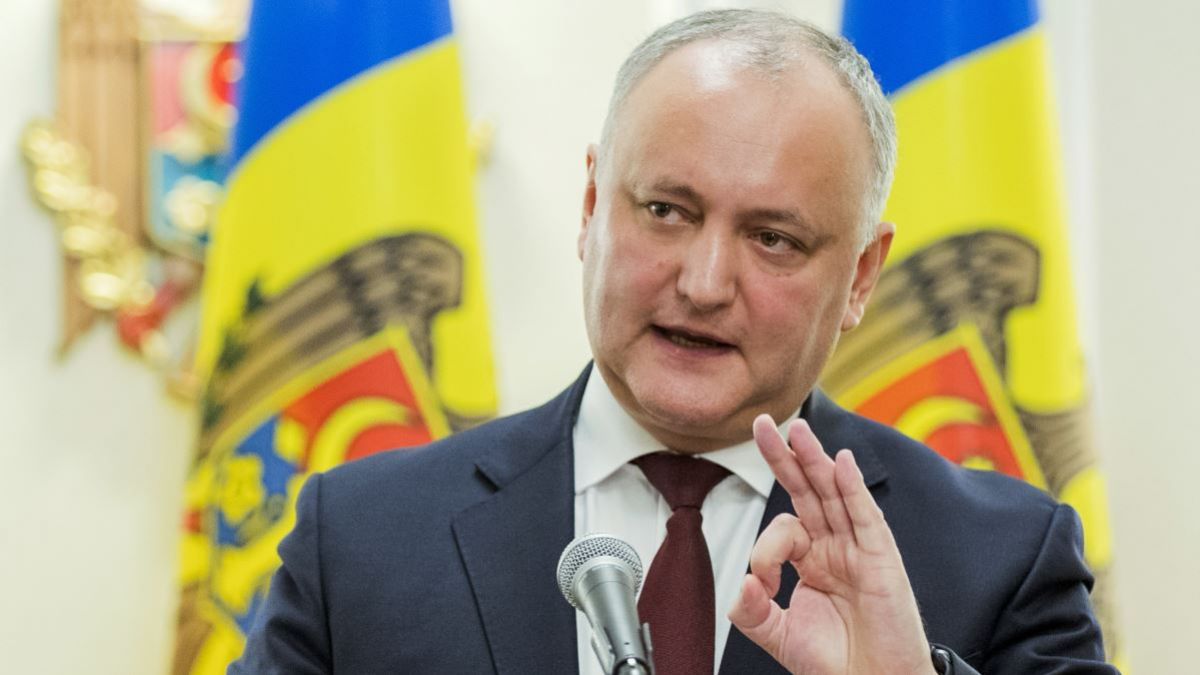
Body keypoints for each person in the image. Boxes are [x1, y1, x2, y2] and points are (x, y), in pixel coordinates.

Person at [232, 9, 1114, 675]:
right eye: (665, 210)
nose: (703, 281)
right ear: (591, 207)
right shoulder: (359, 538)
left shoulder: (999, 557)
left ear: (860, 277)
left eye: (774, 238)